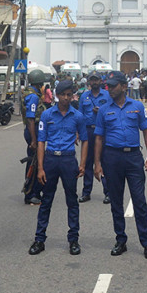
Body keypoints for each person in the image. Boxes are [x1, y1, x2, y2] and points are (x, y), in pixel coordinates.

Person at [94, 71, 147, 259]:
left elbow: (146, 131)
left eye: (113, 86)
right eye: (108, 86)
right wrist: (97, 163)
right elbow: (98, 137)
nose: (109, 89)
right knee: (116, 201)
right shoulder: (104, 109)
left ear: (123, 86)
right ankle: (121, 240)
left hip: (133, 158)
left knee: (139, 201)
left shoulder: (137, 106)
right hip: (112, 158)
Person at [29, 80, 89, 256]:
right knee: (46, 200)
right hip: (50, 160)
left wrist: (83, 164)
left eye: (69, 94)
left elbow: (85, 141)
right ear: (56, 95)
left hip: (69, 160)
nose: (65, 98)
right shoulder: (47, 115)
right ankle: (39, 239)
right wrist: (40, 168)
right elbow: (41, 141)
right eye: (62, 94)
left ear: (72, 96)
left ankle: (73, 240)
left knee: (72, 200)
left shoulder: (78, 116)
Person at [78, 72, 110, 203]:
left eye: (96, 80)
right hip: (88, 131)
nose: (94, 82)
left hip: (103, 131)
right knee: (87, 162)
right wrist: (78, 132)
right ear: (88, 82)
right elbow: (79, 115)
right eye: (92, 80)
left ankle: (108, 192)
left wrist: (101, 111)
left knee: (105, 162)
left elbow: (111, 111)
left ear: (101, 81)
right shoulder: (84, 96)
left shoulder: (107, 95)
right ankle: (86, 192)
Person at [23, 70, 47, 205]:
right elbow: (31, 119)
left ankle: (34, 191)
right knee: (34, 163)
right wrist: (33, 140)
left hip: (33, 130)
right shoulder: (33, 97)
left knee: (36, 161)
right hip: (34, 131)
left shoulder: (30, 93)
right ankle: (30, 193)